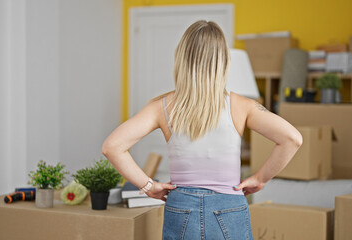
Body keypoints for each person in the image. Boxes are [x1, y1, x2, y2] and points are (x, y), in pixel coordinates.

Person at [102, 20, 302, 240]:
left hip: (181, 207)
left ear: (181, 58)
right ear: (223, 61)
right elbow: (292, 139)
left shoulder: (161, 107)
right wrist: (261, 178)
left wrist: (149, 186)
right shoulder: (242, 106)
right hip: (229, 206)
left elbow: (112, 146)